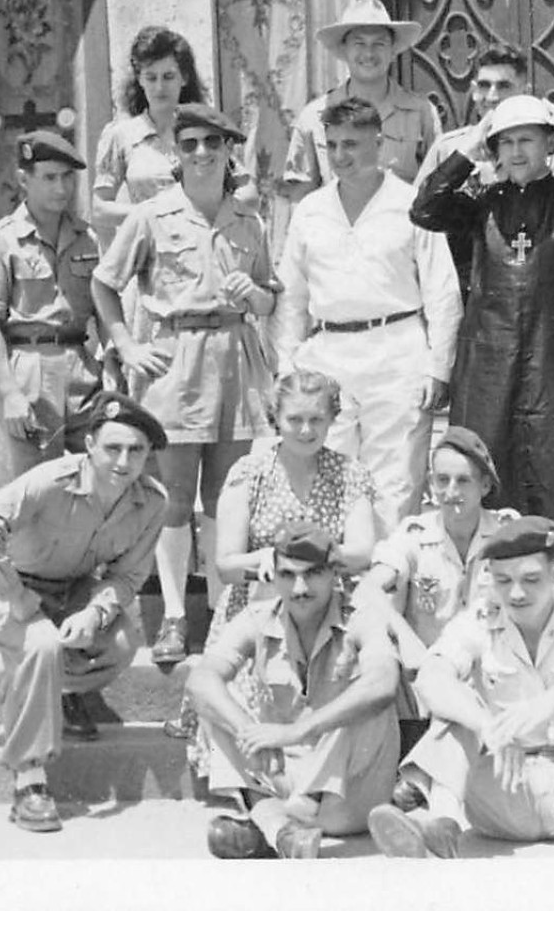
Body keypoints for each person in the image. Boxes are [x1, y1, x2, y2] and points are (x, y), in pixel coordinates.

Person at [91, 103, 279, 665]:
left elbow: (271, 296)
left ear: (228, 153)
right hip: (173, 362)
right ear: (178, 153)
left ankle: (223, 615)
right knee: (174, 498)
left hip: (235, 359)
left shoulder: (249, 223)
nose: (202, 154)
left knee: (225, 496)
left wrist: (256, 296)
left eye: (213, 145)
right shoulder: (151, 216)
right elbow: (105, 285)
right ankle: (174, 614)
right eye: (191, 144)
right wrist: (126, 345)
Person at [367, 517, 554, 858]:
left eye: (531, 579)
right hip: (503, 796)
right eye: (503, 580)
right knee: (459, 701)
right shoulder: (479, 620)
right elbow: (431, 678)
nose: (516, 593)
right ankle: (441, 827)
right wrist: (487, 725)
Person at [412, 94, 554, 586]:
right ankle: (492, 584)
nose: (517, 151)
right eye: (506, 142)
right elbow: (425, 208)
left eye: (528, 139)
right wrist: (469, 150)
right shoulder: (482, 204)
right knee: (494, 461)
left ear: (548, 143)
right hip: (492, 362)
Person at [0, 391, 168, 832]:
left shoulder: (151, 501)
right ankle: (29, 780)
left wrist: (95, 613)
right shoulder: (51, 480)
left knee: (123, 642)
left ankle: (59, 695)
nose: (124, 461)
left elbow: (128, 577)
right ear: (89, 445)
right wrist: (15, 596)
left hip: (71, 592)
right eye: (112, 448)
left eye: (136, 450)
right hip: (5, 587)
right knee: (42, 643)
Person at [165, 368, 380, 748]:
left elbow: (362, 552)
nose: (305, 430)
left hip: (326, 605)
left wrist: (315, 556)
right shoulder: (250, 472)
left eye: (316, 419)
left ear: (332, 419)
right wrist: (266, 558)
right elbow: (226, 565)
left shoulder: (349, 474)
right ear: (275, 419)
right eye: (294, 419)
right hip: (260, 605)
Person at [274, 98, 462, 531]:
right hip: (328, 354)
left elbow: (442, 290)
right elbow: (292, 297)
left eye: (353, 144)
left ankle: (387, 587)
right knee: (325, 475)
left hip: (397, 352)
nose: (342, 156)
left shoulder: (413, 204)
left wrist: (439, 367)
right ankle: (334, 588)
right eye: (333, 145)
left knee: (395, 484)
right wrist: (287, 365)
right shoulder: (310, 211)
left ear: (379, 144)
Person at [188, 522, 401, 860]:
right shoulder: (258, 617)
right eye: (288, 575)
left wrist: (296, 731)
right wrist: (247, 730)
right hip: (286, 774)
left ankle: (269, 824)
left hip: (347, 795)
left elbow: (384, 682)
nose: (299, 588)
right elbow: (201, 680)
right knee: (217, 701)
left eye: (312, 574)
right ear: (274, 576)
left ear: (334, 573)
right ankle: (285, 835)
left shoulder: (362, 616)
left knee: (366, 697)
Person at [352, 425, 519, 763]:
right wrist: (406, 638)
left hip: (487, 672)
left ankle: (425, 779)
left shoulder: (506, 531)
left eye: (463, 481)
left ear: (485, 485)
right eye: (442, 480)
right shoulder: (415, 534)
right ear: (430, 484)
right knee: (374, 640)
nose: (451, 491)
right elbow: (368, 589)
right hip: (425, 672)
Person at [0, 130, 102, 489]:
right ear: (24, 180)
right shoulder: (0, 243)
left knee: (108, 477)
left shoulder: (88, 240)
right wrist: (9, 393)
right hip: (25, 367)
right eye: (50, 178)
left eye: (68, 177)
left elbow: (104, 308)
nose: (61, 188)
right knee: (27, 497)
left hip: (81, 369)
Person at [280, 0, 442, 203]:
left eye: (379, 44)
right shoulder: (314, 117)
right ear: (344, 49)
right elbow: (300, 196)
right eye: (359, 43)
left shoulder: (421, 113)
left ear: (393, 51)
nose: (369, 53)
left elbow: (436, 189)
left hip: (401, 229)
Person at [415, 43, 540, 294]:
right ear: (473, 91)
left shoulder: (543, 153)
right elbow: (418, 219)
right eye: (484, 86)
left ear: (525, 92)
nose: (492, 96)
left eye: (504, 86)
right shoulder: (447, 149)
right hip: (463, 293)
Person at [90, 26, 208, 245]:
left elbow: (246, 196)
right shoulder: (121, 135)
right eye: (151, 77)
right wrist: (151, 215)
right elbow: (100, 209)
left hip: (201, 253)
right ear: (140, 79)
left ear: (184, 78)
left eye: (169, 76)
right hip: (148, 256)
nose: (160, 87)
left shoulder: (206, 132)